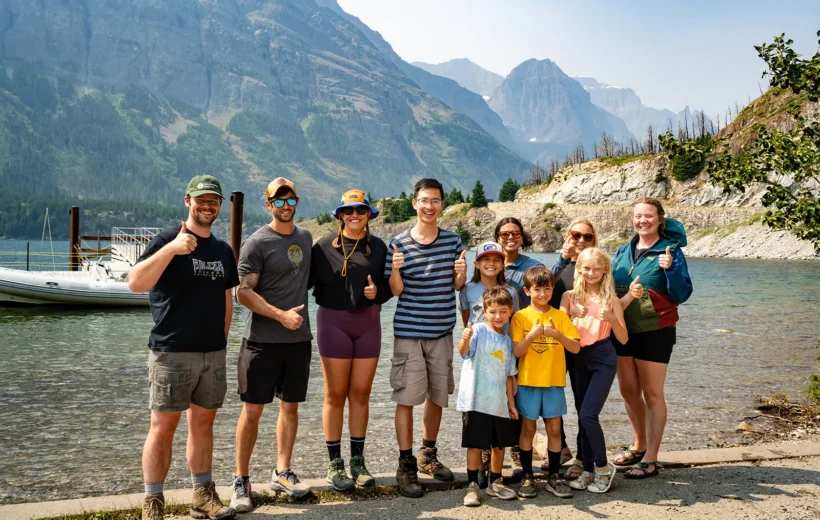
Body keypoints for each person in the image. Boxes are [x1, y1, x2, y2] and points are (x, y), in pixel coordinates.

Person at [128, 175, 239, 520]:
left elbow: (227, 301)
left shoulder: (222, 251)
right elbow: (135, 283)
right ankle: (153, 502)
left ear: (220, 206)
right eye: (201, 200)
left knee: (202, 426)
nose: (207, 206)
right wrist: (173, 249)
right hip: (171, 351)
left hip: (212, 353)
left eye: (214, 201)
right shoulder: (166, 240)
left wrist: (220, 340)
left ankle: (202, 495)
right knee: (162, 427)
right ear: (187, 201)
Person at [231, 178, 313, 512]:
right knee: (252, 412)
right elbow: (242, 293)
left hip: (298, 341)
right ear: (268, 205)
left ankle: (282, 471)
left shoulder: (305, 237)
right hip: (261, 342)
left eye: (289, 199)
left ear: (296, 201)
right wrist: (280, 315)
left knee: (290, 407)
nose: (284, 206)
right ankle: (241, 480)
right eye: (277, 201)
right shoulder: (256, 243)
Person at [384, 178, 467, 498]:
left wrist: (460, 273)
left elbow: (458, 285)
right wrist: (395, 270)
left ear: (441, 205)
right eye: (424, 200)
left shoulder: (452, 241)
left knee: (437, 395)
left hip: (442, 332)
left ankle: (427, 454)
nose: (429, 206)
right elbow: (395, 291)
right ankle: (405, 464)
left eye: (435, 201)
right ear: (414, 204)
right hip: (408, 333)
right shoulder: (399, 243)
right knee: (406, 397)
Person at [309, 189, 392, 491]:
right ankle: (334, 464)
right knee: (334, 394)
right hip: (333, 322)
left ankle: (358, 462)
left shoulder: (380, 247)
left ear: (369, 214)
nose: (355, 216)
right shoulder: (320, 247)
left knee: (360, 393)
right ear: (340, 215)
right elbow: (300, 283)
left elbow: (389, 288)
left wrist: (377, 293)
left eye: (361, 210)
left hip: (369, 324)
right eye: (348, 211)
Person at [611, 198, 693, 479]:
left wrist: (670, 268)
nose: (642, 221)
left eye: (648, 216)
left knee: (653, 393)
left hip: (656, 331)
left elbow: (682, 294)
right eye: (637, 216)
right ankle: (638, 444)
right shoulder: (624, 250)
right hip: (623, 330)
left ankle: (651, 458)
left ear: (660, 219)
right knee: (628, 390)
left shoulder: (670, 251)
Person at [561, 248, 628, 493]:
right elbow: (558, 324)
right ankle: (587, 469)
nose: (591, 273)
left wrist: (611, 318)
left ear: (605, 270)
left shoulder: (612, 299)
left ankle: (602, 468)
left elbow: (623, 338)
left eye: (597, 268)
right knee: (582, 415)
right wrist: (568, 313)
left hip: (603, 357)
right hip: (579, 356)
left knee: (589, 414)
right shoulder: (569, 296)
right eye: (586, 268)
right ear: (578, 269)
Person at [511, 266, 580, 499]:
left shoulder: (560, 316)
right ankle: (528, 476)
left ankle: (553, 476)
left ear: (553, 290)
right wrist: (532, 335)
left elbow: (575, 347)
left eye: (547, 289)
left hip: (553, 382)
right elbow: (517, 351)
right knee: (528, 429)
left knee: (553, 429)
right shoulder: (520, 317)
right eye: (537, 289)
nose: (543, 293)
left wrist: (556, 335)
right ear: (527, 291)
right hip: (528, 382)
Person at [458, 240, 520, 486]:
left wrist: (511, 402)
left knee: (497, 436)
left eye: (497, 259)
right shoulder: (467, 289)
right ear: (477, 263)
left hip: (501, 358)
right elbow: (467, 321)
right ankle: (476, 478)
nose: (491, 264)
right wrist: (466, 337)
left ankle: (495, 478)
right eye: (486, 259)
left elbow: (515, 323)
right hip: (477, 360)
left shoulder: (511, 292)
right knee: (477, 432)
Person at [548, 218, 599, 478]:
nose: (580, 240)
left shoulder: (597, 267)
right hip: (557, 345)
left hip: (585, 346)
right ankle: (562, 448)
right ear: (567, 237)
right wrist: (561, 258)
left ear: (594, 239)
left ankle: (583, 458)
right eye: (575, 235)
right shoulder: (561, 267)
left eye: (586, 237)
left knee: (583, 403)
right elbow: (541, 289)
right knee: (551, 400)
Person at [494, 217, 543, 308]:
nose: (511, 237)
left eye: (516, 234)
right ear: (498, 239)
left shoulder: (534, 267)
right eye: (505, 234)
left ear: (522, 237)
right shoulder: (489, 267)